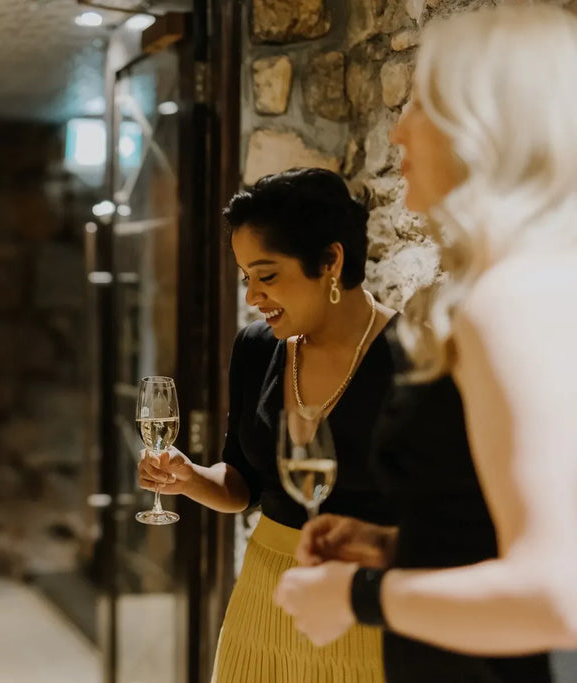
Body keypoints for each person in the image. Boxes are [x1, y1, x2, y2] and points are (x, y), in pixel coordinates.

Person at [274, 5, 577, 681]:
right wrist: (398, 546)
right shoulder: (546, 287)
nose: (401, 131)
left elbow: (558, 594)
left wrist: (356, 597)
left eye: (423, 106)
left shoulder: (512, 302)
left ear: (486, 128)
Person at [138, 167, 398, 682]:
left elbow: (442, 518)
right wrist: (190, 478)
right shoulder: (257, 348)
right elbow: (244, 488)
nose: (253, 296)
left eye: (268, 275)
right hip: (263, 601)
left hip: (360, 610)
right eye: (245, 279)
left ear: (330, 260)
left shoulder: (410, 360)